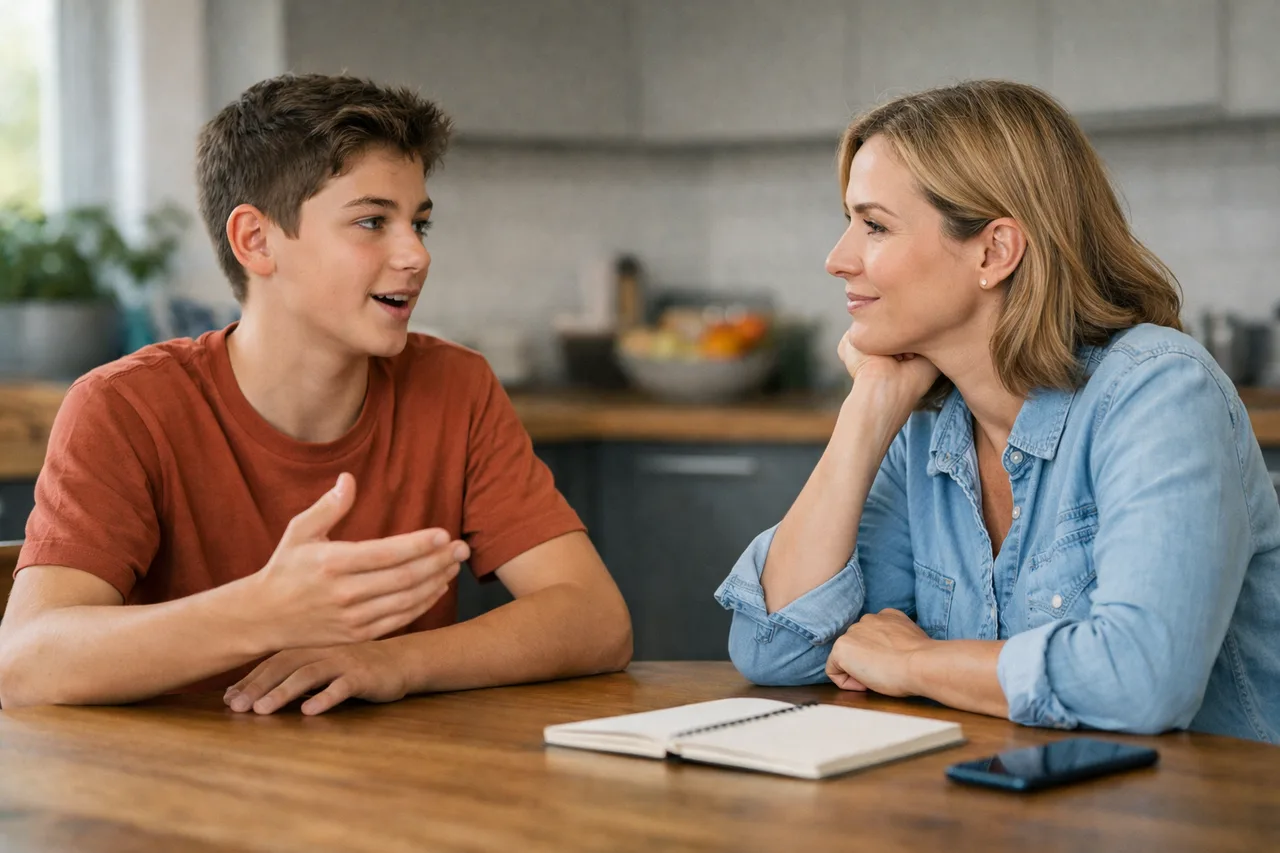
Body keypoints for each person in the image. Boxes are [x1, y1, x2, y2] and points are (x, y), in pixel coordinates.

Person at [0, 74, 632, 715]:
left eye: (419, 224)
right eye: (371, 221)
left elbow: (596, 619)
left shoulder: (455, 388)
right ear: (256, 241)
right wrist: (262, 613)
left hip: (398, 774)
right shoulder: (124, 407)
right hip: (177, 775)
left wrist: (394, 661)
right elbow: (25, 664)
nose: (416, 255)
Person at [716, 80, 1279, 743]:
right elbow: (775, 651)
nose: (837, 260)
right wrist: (866, 410)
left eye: (874, 226)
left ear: (994, 251)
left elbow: (1143, 681)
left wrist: (914, 662)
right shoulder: (925, 425)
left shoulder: (1160, 393)